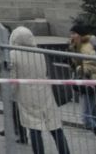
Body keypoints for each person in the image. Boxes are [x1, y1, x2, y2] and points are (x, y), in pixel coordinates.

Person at [13, 25, 74, 154]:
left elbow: (13, 79)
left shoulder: (13, 54)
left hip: (26, 94)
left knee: (34, 127)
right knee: (55, 126)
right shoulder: (39, 52)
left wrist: (10, 94)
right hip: (45, 92)